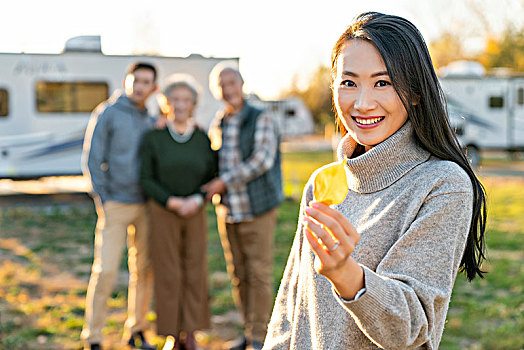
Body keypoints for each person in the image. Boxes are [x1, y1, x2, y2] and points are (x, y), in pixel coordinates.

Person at [263, 12, 487, 350]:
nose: (362, 103)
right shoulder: (321, 184)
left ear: (414, 92)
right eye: (349, 82)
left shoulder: (443, 185)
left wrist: (346, 274)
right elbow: (291, 309)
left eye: (382, 82)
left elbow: (411, 330)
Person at [202, 62, 283, 350]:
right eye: (222, 85)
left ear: (242, 84)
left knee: (259, 273)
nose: (227, 90)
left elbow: (262, 160)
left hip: (257, 207)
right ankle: (249, 332)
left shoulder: (260, 118)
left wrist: (224, 182)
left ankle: (261, 336)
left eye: (231, 83)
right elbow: (212, 158)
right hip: (228, 211)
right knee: (238, 274)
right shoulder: (219, 121)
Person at [81, 62, 158, 350]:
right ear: (127, 81)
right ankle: (93, 336)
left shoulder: (151, 120)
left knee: (143, 271)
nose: (140, 86)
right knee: (106, 270)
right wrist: (102, 197)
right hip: (115, 204)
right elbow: (92, 158)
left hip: (146, 206)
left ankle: (136, 330)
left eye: (146, 82)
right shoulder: (108, 113)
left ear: (153, 88)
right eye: (136, 80)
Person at [139, 74, 217, 350]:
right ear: (166, 103)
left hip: (194, 210)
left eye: (186, 100)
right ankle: (173, 334)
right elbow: (146, 177)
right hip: (163, 211)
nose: (180, 105)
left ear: (193, 104)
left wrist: (197, 199)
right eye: (175, 99)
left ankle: (191, 332)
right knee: (168, 271)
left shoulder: (201, 138)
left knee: (195, 269)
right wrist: (170, 201)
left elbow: (212, 174)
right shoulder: (155, 137)